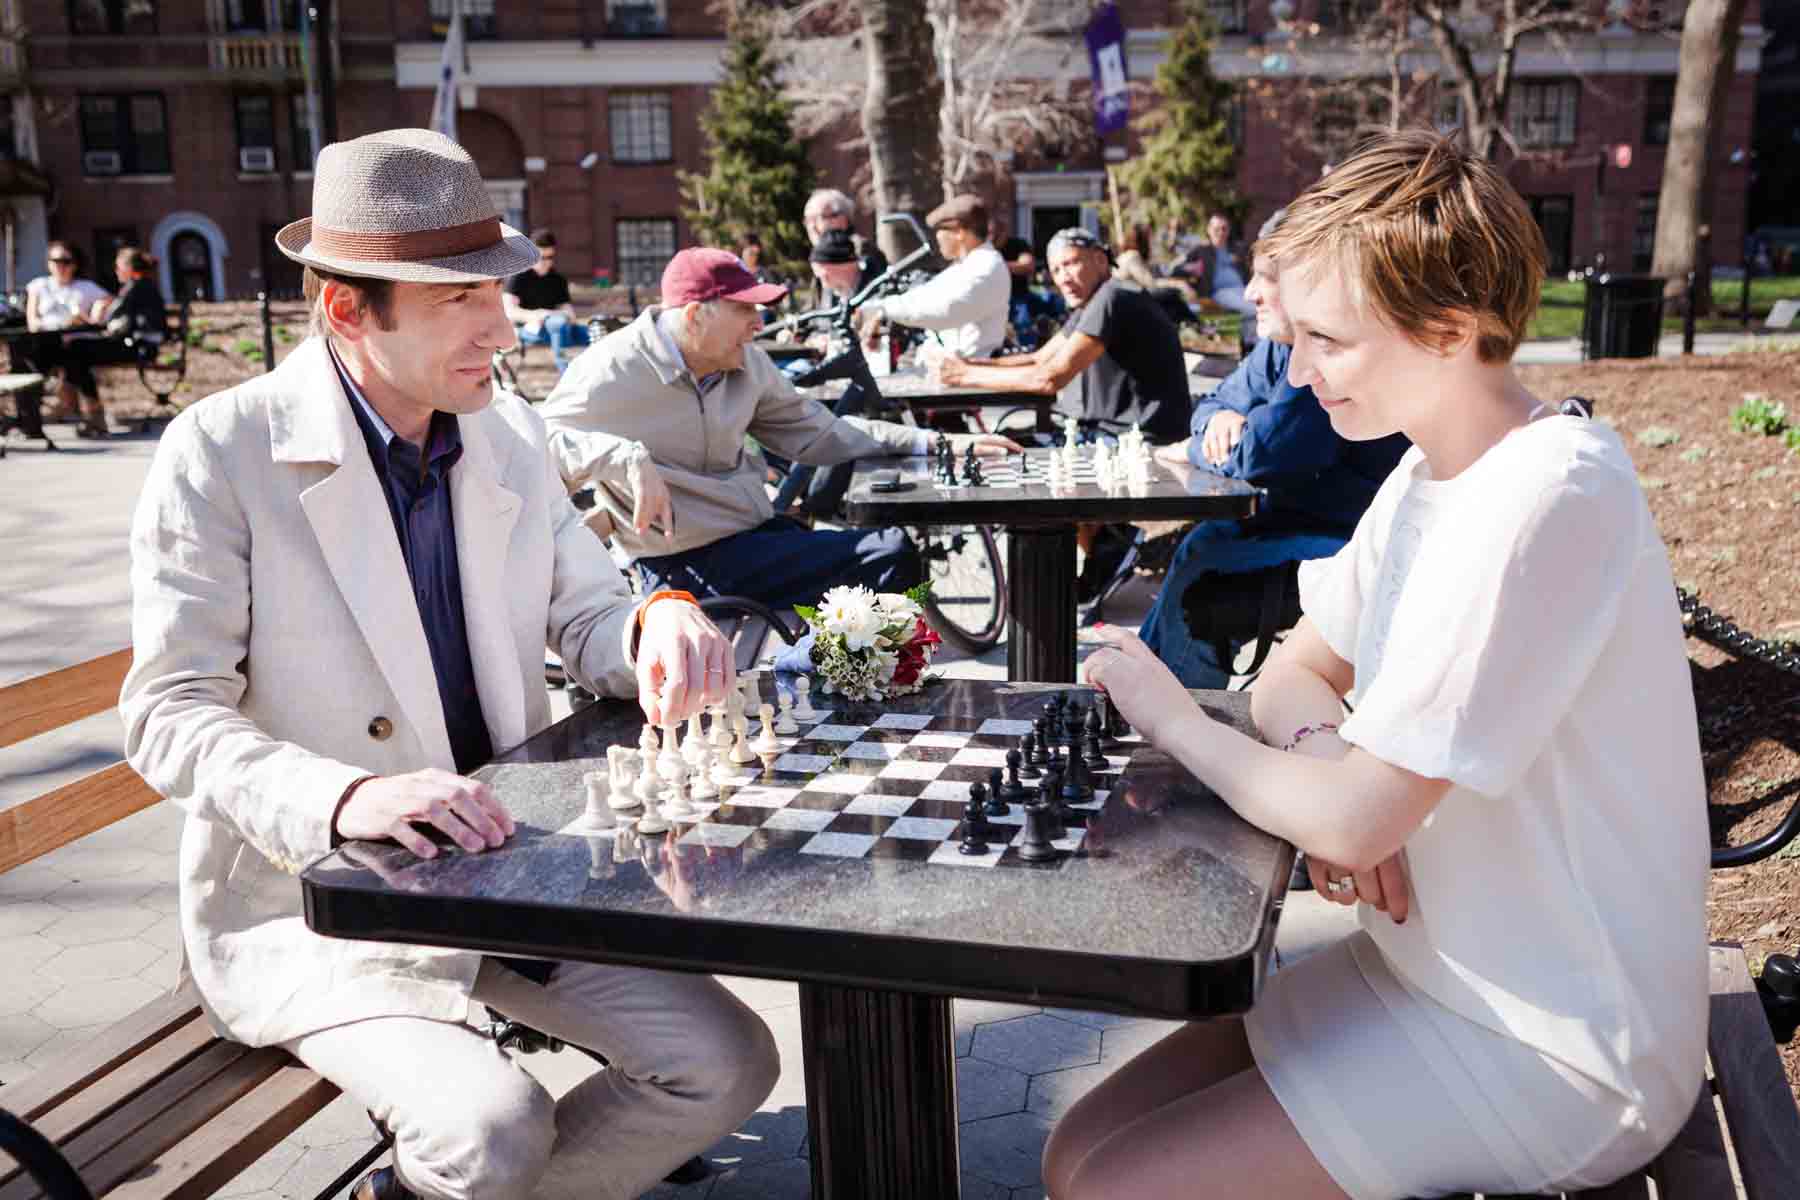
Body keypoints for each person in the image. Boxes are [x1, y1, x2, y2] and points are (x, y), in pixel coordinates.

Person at [120, 129, 778, 1200]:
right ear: (346, 309)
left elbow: (591, 614)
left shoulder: (503, 428)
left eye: (497, 290)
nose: (500, 325)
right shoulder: (221, 450)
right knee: (492, 1129)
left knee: (727, 1064)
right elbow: (168, 713)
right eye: (456, 300)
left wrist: (656, 620)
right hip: (319, 901)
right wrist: (350, 796)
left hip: (515, 869)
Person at [1052, 130, 1707, 1200]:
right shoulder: (1429, 471)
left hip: (1565, 1042)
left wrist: (1178, 723)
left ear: (1451, 329)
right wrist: (1328, 759)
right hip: (1434, 970)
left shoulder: (1545, 495)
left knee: (1113, 1187)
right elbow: (1288, 678)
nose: (1298, 372)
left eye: (1329, 341)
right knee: (1076, 1152)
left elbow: (1354, 820)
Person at [538, 247, 1020, 609]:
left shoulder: (746, 362)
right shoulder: (612, 368)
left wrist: (938, 444)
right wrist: (622, 458)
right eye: (745, 309)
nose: (759, 323)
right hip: (681, 564)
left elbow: (822, 433)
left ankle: (829, 688)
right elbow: (539, 444)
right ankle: (822, 691)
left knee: (886, 551)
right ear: (695, 315)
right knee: (889, 555)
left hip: (748, 537)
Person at [1137, 217, 1409, 688]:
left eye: (1266, 278)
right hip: (1298, 521)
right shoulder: (1277, 348)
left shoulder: (1327, 353)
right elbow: (1216, 402)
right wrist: (1216, 425)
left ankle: (1181, 729)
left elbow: (1264, 454)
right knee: (1204, 539)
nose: (1248, 293)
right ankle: (1141, 693)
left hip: (1351, 544)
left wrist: (1193, 447)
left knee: (1202, 574)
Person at [931, 227, 1191, 444]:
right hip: (1107, 435)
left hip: (1135, 441)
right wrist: (969, 364)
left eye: (1070, 263)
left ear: (1100, 260)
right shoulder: (1093, 302)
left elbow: (1050, 378)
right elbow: (1039, 359)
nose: (1063, 278)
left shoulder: (1114, 297)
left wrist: (964, 375)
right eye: (1055, 270)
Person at [857, 194, 1010, 359]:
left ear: (959, 232)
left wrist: (884, 309)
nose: (937, 237)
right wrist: (876, 309)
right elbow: (922, 296)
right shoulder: (966, 266)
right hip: (955, 371)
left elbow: (946, 311)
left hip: (974, 373)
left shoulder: (986, 266)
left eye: (940, 230)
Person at [22, 241, 113, 435]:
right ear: (48, 263)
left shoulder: (85, 286)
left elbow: (109, 302)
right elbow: (32, 321)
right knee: (34, 356)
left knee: (76, 353)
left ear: (75, 264)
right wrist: (51, 325)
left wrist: (95, 312)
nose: (61, 265)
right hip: (47, 341)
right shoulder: (39, 285)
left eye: (66, 261)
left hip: (79, 341)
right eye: (56, 260)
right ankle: (78, 410)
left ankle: (84, 411)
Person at [503, 227, 588, 372]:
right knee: (557, 323)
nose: (545, 262)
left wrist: (565, 315)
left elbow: (567, 310)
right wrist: (538, 314)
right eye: (541, 257)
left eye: (550, 258)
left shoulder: (558, 280)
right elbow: (509, 311)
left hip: (559, 328)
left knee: (594, 332)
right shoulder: (518, 277)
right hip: (530, 328)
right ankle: (565, 375)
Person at [804, 187, 887, 302]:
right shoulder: (820, 259)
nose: (811, 226)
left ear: (842, 219)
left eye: (817, 218)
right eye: (808, 220)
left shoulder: (861, 252)